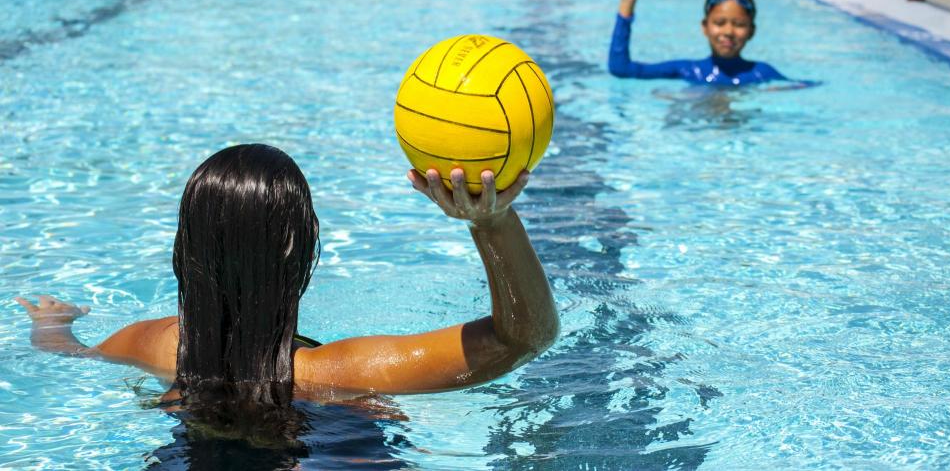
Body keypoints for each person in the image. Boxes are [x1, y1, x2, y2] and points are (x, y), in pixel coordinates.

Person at [16, 144, 559, 406]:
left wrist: (52, 323)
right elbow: (525, 337)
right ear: (299, 255)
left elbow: (71, 355)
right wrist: (492, 221)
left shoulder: (151, 345)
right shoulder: (339, 372)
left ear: (186, 251)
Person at [608, 0, 789, 86]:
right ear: (705, 27)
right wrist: (627, 3)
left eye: (739, 25)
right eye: (719, 23)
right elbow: (621, 69)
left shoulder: (761, 73)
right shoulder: (688, 70)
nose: (728, 32)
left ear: (752, 31)